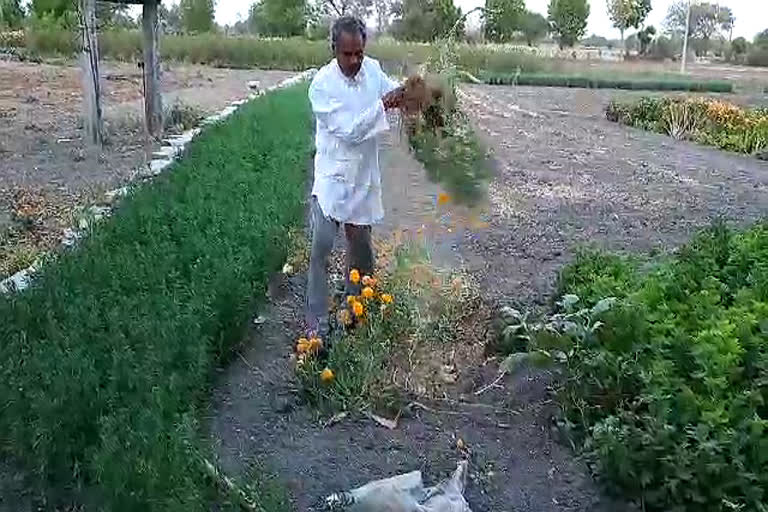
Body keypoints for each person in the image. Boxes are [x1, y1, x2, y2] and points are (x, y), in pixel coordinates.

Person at [305, 15, 405, 339]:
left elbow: (393, 91)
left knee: (360, 249)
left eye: (359, 53)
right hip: (333, 179)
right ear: (334, 49)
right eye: (347, 54)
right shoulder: (322, 85)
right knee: (321, 246)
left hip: (361, 177)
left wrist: (414, 92)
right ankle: (317, 324)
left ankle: (356, 314)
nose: (354, 60)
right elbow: (349, 131)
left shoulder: (372, 70)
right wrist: (383, 104)